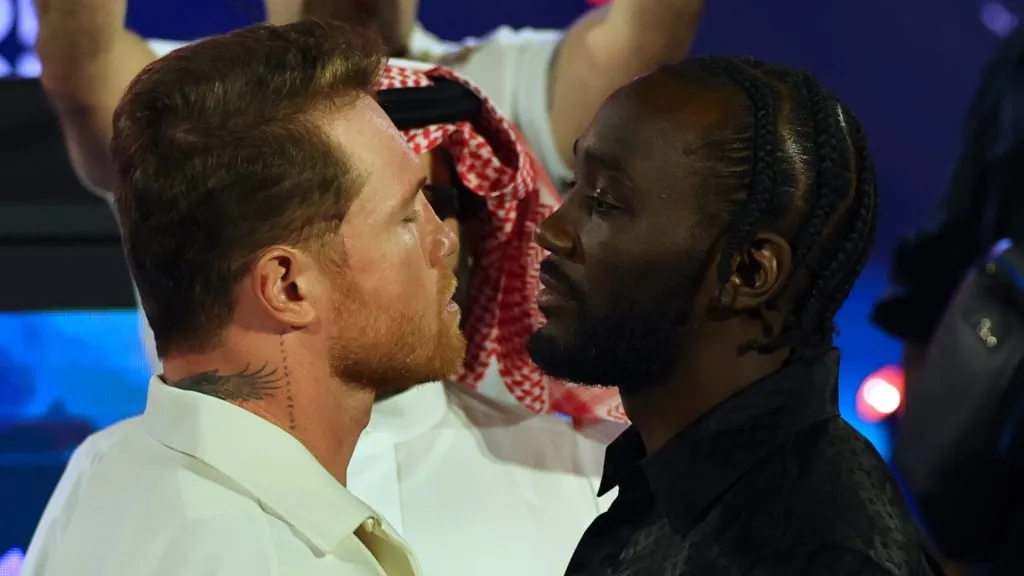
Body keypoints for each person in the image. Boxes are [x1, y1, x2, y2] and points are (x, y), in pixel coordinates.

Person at [22, 21, 463, 576]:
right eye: (405, 216)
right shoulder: (273, 558)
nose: (444, 240)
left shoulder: (103, 474)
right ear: (287, 286)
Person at [527, 57, 935, 575]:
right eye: (573, 183)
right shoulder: (680, 486)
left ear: (747, 271)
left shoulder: (812, 554)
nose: (553, 230)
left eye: (605, 202)